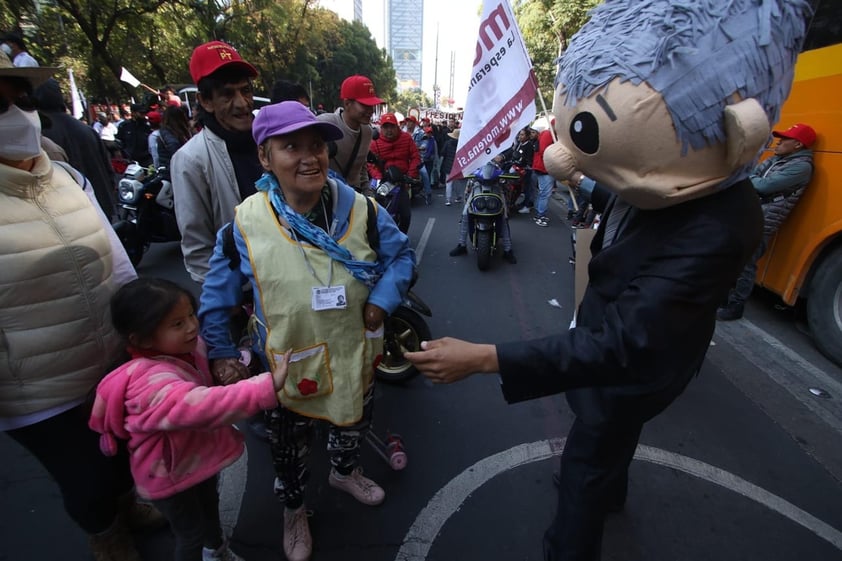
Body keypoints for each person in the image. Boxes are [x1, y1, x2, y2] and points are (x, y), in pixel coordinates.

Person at [406, 1, 809, 559]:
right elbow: (629, 195)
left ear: (738, 131)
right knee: (615, 442)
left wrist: (483, 357)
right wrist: (585, 176)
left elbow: (622, 343)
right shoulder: (678, 177)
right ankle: (612, 490)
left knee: (585, 465)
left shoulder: (718, 221)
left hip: (632, 371)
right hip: (629, 354)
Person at [199, 101, 415, 561]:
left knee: (352, 425)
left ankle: (344, 471)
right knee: (288, 451)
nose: (308, 156)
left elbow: (401, 257)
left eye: (316, 145)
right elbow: (216, 296)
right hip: (284, 367)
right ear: (264, 157)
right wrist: (219, 352)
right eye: (290, 146)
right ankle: (294, 511)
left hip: (353, 353)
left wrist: (382, 300)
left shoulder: (362, 210)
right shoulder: (245, 224)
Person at [0, 54, 159, 561]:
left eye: (20, 99)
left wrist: (149, 332)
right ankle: (107, 536)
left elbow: (118, 262)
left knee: (122, 455)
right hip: (36, 391)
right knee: (84, 480)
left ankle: (127, 506)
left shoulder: (68, 177)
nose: (14, 113)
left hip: (110, 363)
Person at [89, 278, 292, 561]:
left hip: (195, 459)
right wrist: (266, 386)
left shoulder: (186, 349)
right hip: (169, 476)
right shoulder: (147, 383)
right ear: (142, 339)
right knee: (190, 534)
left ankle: (216, 551)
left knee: (211, 510)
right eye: (177, 324)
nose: (192, 326)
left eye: (190, 315)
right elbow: (202, 404)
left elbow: (208, 372)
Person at [171, 40, 261, 284]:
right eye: (228, 94)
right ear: (206, 101)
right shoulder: (190, 159)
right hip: (240, 292)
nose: (243, 103)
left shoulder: (268, 141)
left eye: (246, 90)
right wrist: (226, 301)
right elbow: (198, 249)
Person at [717, 123, 817, 321]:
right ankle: (722, 299)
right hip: (750, 213)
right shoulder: (777, 160)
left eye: (784, 139)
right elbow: (751, 176)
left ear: (797, 145)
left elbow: (764, 186)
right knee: (731, 257)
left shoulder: (801, 167)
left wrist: (750, 180)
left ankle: (736, 306)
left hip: (764, 220)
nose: (778, 141)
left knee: (746, 263)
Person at [33, 78, 118, 218]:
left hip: (71, 213)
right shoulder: (87, 130)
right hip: (100, 205)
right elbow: (108, 170)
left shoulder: (41, 134)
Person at [317, 75, 383, 192]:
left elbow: (362, 167)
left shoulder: (367, 131)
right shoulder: (325, 124)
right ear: (347, 103)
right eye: (365, 105)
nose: (370, 111)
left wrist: (367, 194)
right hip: (324, 194)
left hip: (352, 196)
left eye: (372, 105)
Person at [448, 162, 517, 264]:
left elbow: (508, 165)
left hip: (496, 189)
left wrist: (506, 169)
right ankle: (462, 244)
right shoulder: (476, 161)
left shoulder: (498, 159)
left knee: (504, 216)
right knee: (465, 213)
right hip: (477, 188)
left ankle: (508, 249)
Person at [367, 112, 421, 234]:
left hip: (401, 181)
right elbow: (370, 164)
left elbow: (415, 157)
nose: (389, 130)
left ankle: (401, 239)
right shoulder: (375, 143)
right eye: (385, 127)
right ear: (381, 128)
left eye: (391, 126)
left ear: (397, 127)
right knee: (370, 210)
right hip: (382, 182)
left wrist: (411, 175)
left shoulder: (407, 138)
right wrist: (378, 176)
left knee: (406, 215)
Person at [157, 105, 192, 180]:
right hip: (174, 173)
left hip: (171, 171)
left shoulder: (165, 132)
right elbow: (174, 148)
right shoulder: (169, 134)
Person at [531, 124, 555, 226]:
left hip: (541, 167)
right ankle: (540, 215)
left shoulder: (545, 135)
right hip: (545, 168)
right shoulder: (548, 134)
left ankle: (539, 213)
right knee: (545, 193)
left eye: (533, 132)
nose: (531, 134)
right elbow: (544, 152)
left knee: (542, 192)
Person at [440, 128, 462, 206]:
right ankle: (458, 196)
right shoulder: (461, 144)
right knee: (457, 182)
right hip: (457, 166)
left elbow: (443, 153)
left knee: (448, 182)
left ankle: (448, 200)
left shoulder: (447, 143)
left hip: (448, 165)